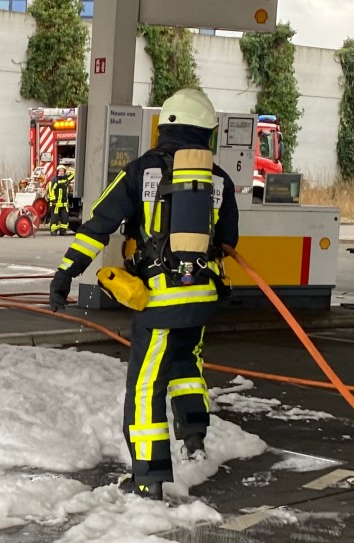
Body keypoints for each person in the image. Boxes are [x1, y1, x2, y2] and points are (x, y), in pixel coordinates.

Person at [47, 88, 239, 501]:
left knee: (147, 385)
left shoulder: (141, 171)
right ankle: (194, 442)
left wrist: (66, 273)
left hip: (159, 300)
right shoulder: (219, 179)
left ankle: (148, 479)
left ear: (165, 126)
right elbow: (229, 240)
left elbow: (99, 224)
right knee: (188, 364)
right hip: (201, 298)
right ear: (207, 131)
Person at [48, 165, 73, 236]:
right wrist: (53, 200)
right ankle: (53, 231)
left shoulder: (66, 179)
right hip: (56, 204)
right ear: (57, 172)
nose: (61, 172)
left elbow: (73, 174)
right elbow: (51, 189)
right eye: (60, 171)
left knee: (65, 218)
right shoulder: (54, 180)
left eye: (62, 171)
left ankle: (63, 231)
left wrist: (68, 169)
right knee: (54, 219)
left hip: (64, 204)